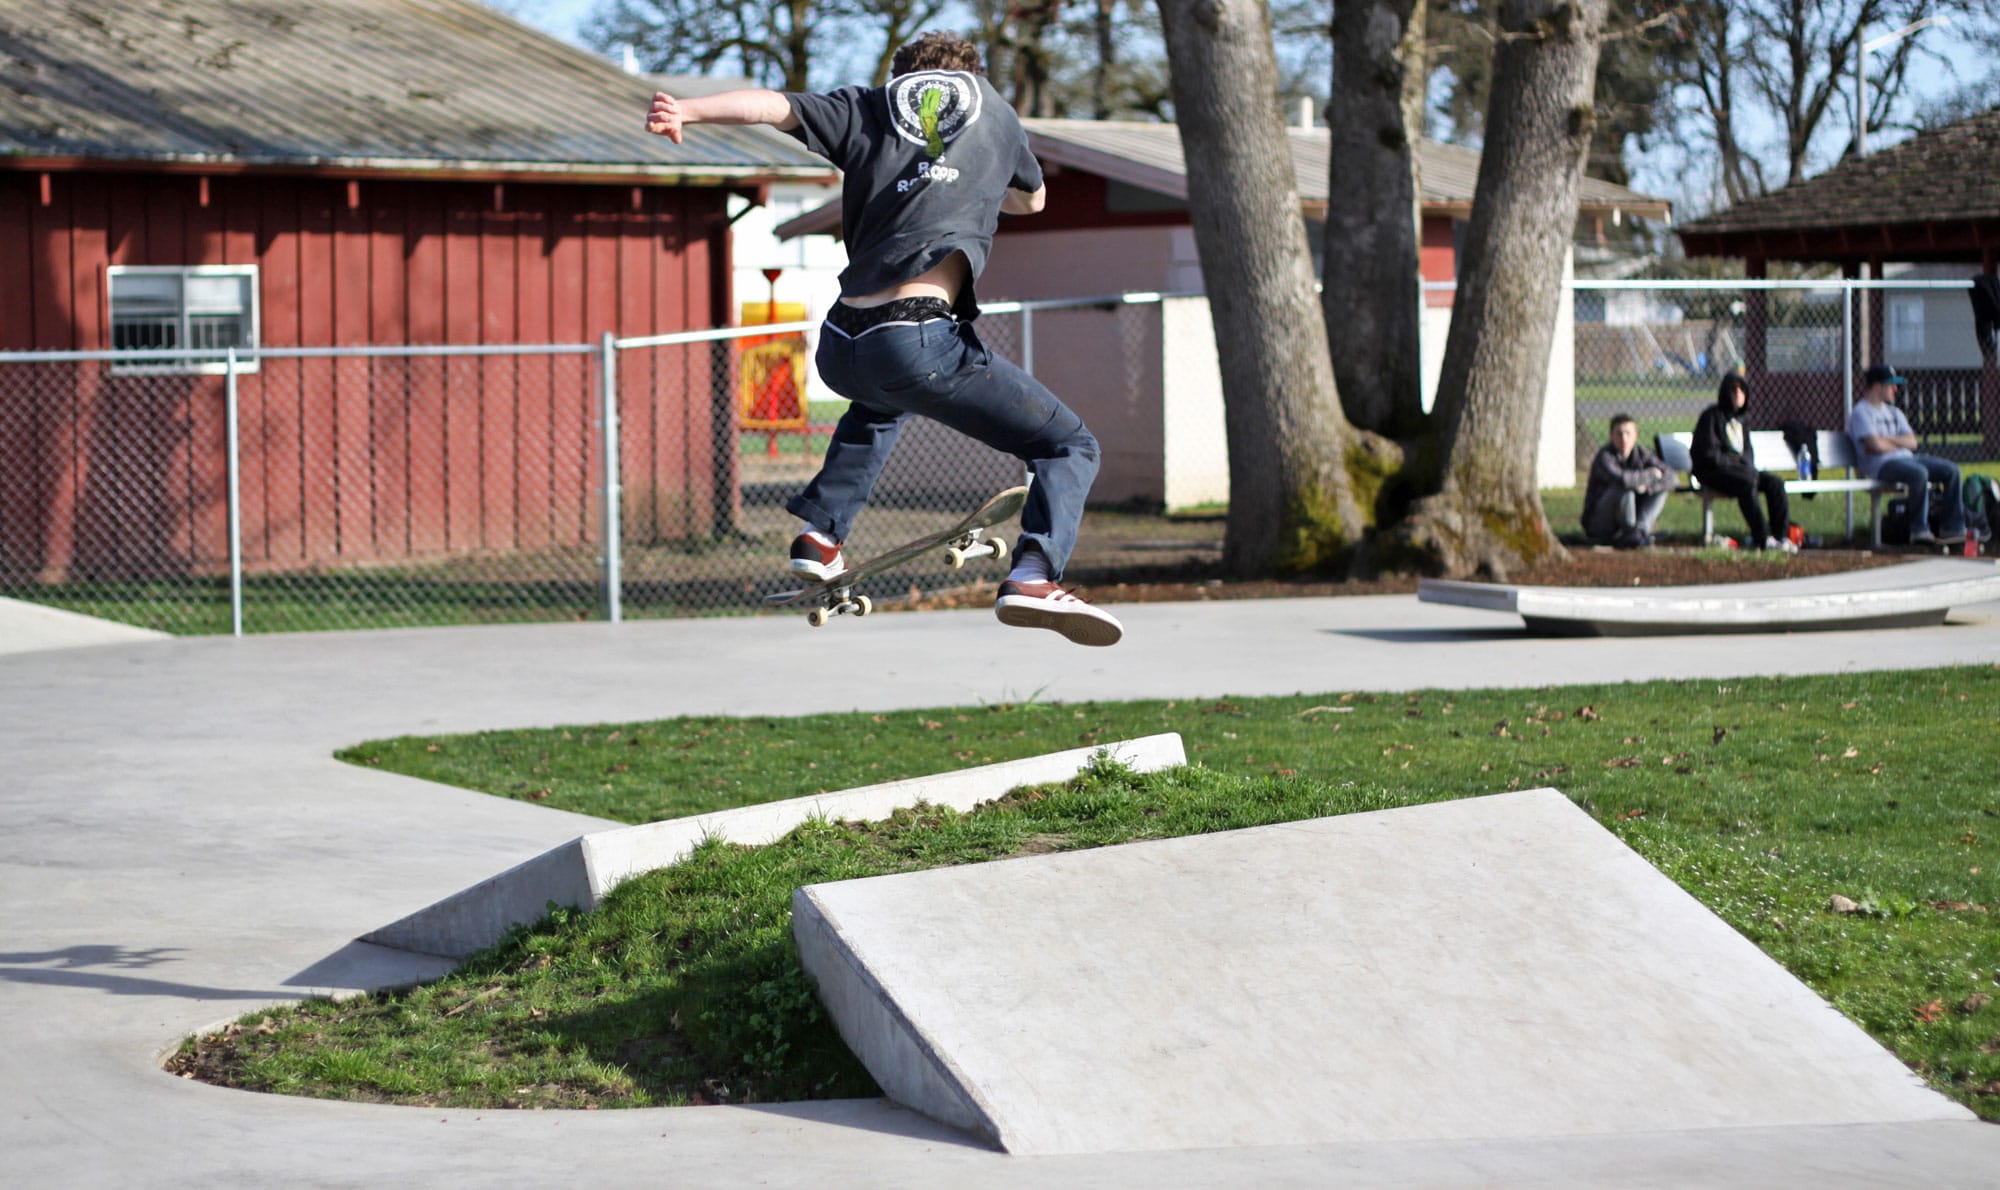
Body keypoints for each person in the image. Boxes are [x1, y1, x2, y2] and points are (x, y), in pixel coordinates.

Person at [644, 34, 1121, 647]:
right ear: (970, 74)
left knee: (880, 403)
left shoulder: (865, 104)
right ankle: (1033, 575)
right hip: (917, 335)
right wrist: (973, 175)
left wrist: (686, 109)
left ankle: (820, 534)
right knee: (1069, 446)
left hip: (843, 341)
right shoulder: (996, 109)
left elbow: (768, 105)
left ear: (900, 74)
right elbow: (1033, 199)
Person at [1846, 363, 1983, 546]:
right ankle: (1919, 530)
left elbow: (1912, 442)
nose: (1895, 389)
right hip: (1881, 466)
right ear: (1877, 386)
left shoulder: (1894, 412)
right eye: (1891, 384)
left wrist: (1886, 440)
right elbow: (1875, 445)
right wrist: (1894, 442)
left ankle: (1952, 528)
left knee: (1952, 471)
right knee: (1919, 473)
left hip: (1908, 458)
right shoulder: (1861, 412)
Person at [1691, 372, 1796, 552]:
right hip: (1713, 473)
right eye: (1733, 389)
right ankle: (1763, 539)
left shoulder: (1742, 422)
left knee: (1775, 483)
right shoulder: (1712, 416)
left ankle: (1780, 537)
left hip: (1742, 472)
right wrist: (1737, 466)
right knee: (1747, 482)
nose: (1738, 394)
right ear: (1725, 392)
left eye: (1742, 389)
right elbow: (1709, 454)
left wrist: (1744, 467)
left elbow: (1747, 455)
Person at [1581, 414, 1672, 548]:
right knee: (1625, 489)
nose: (1624, 438)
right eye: (1619, 434)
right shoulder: (1604, 457)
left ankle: (1640, 531)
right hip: (1600, 522)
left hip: (1632, 512)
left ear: (1635, 435)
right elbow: (1622, 479)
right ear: (1611, 436)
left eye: (1628, 433)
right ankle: (1630, 533)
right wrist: (1649, 476)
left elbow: (1671, 477)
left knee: (1661, 489)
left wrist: (1647, 487)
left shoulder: (1642, 453)